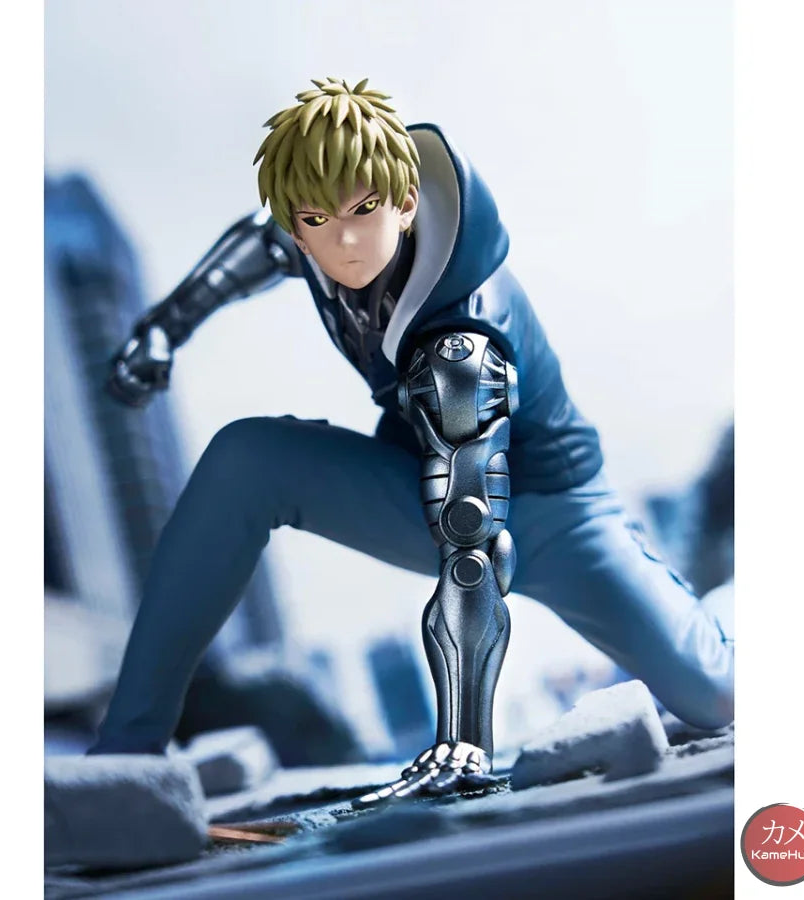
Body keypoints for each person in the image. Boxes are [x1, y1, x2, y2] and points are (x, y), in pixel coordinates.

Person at [90, 77, 733, 803]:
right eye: (315, 222)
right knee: (246, 460)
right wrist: (165, 327)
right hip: (417, 482)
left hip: (556, 515)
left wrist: (463, 740)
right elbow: (259, 246)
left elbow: (472, 551)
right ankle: (123, 756)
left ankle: (737, 607)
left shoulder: (463, 343)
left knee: (715, 693)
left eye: (364, 211)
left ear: (402, 201)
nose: (345, 241)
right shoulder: (314, 236)